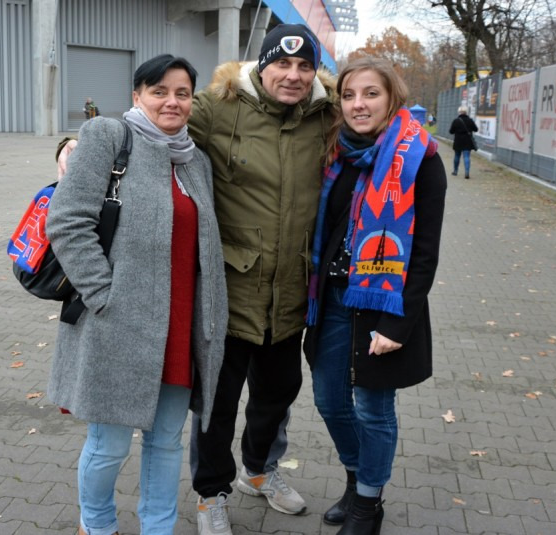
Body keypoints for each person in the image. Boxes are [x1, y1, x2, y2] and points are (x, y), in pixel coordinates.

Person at [46, 54, 228, 535]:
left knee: (166, 443)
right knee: (109, 445)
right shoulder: (108, 137)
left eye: (182, 93)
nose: (172, 102)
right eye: (159, 91)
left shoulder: (197, 162)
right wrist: (103, 295)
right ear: (137, 95)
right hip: (118, 324)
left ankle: (157, 527)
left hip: (181, 327)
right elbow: (67, 221)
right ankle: (97, 524)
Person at [185, 23, 335, 535]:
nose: (293, 75)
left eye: (304, 66)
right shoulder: (218, 107)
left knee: (278, 392)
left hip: (291, 290)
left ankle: (258, 471)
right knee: (217, 403)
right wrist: (77, 144)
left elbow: (378, 125)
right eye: (282, 64)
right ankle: (211, 494)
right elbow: (154, 123)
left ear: (315, 72)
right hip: (229, 290)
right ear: (262, 66)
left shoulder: (326, 115)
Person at [303, 57, 446, 534]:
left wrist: (397, 325)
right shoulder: (336, 152)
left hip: (384, 304)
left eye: (370, 93)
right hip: (335, 298)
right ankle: (356, 477)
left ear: (392, 98)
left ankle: (367, 504)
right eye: (348, 95)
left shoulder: (422, 159)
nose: (358, 105)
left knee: (372, 408)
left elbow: (424, 254)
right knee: (329, 400)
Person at [449, 105, 478, 178]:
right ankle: (467, 172)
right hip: (467, 141)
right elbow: (476, 129)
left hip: (458, 141)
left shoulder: (456, 121)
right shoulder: (470, 120)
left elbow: (451, 131)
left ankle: (455, 171)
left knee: (457, 156)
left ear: (459, 112)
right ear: (466, 112)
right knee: (466, 156)